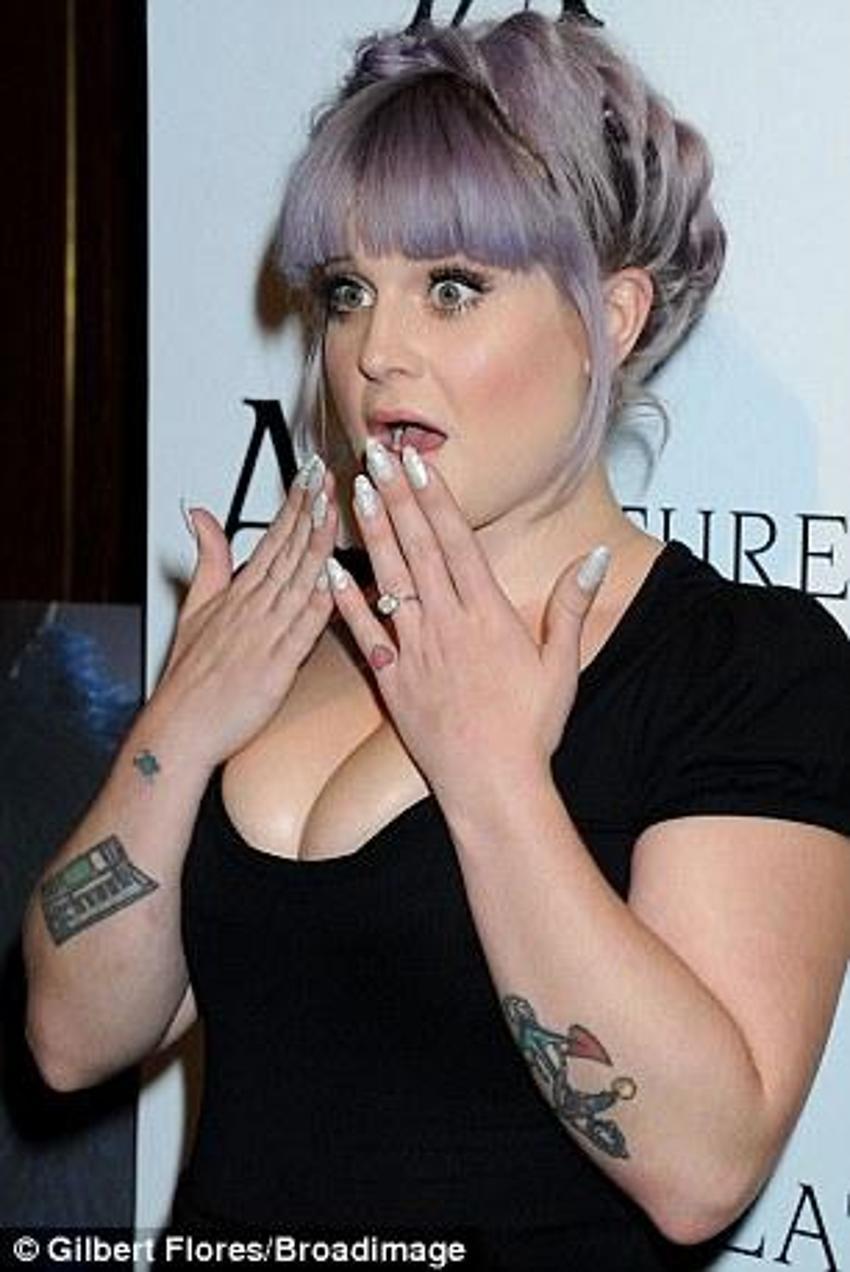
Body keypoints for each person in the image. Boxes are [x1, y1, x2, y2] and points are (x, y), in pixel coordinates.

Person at [23, 5, 850, 1269]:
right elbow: (72, 1039)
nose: (375, 353)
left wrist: (494, 780)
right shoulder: (289, 620)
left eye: (452, 288)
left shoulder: (742, 666)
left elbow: (700, 1168)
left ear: (613, 317)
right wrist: (178, 728)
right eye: (347, 292)